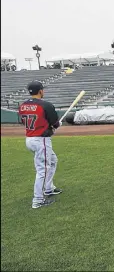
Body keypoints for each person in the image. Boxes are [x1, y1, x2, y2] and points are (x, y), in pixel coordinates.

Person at [18, 81, 62, 209]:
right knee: (43, 169)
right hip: (41, 140)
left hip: (30, 139)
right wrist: (55, 127)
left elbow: (23, 121)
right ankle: (38, 199)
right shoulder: (46, 105)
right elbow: (55, 124)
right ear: (40, 91)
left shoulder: (23, 105)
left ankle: (48, 188)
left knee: (53, 161)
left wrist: (49, 127)